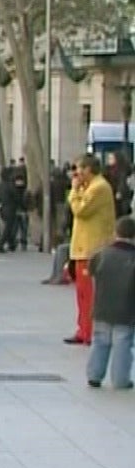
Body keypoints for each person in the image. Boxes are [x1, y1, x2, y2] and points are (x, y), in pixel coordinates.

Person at [66, 154, 116, 345]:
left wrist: (73, 191)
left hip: (92, 248)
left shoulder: (99, 188)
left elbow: (80, 210)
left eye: (79, 168)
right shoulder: (88, 187)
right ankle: (82, 328)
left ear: (89, 169)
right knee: (81, 292)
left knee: (89, 293)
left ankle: (89, 331)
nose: (76, 173)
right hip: (82, 247)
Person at [86, 216, 135, 389]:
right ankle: (120, 380)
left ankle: (94, 375)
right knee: (122, 344)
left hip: (101, 307)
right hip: (126, 310)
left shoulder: (101, 254)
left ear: (116, 233)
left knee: (100, 341)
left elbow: (90, 273)